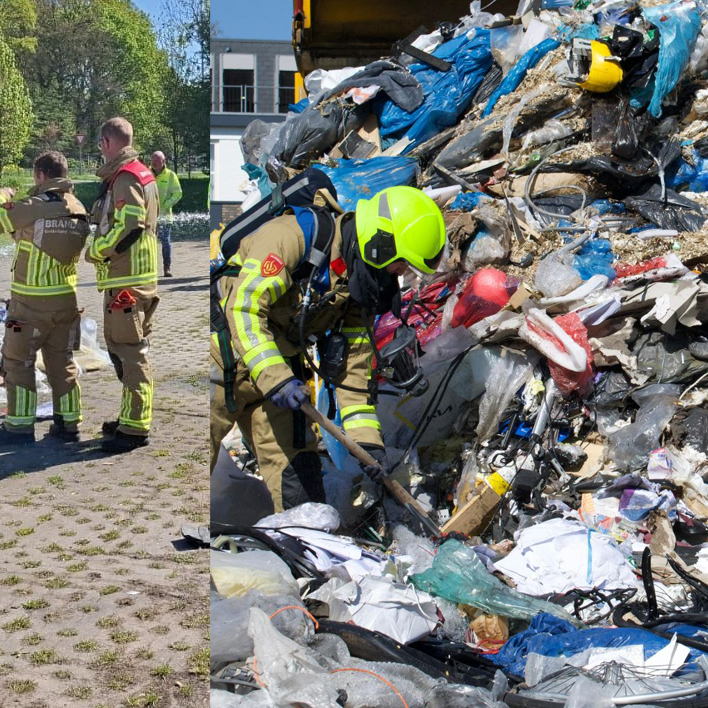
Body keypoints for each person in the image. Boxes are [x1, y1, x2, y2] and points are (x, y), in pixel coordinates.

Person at [210, 185, 445, 511]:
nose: (401, 274)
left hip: (281, 378)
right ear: (381, 242)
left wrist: (368, 444)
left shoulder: (359, 284)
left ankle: (296, 549)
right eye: (402, 264)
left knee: (300, 485)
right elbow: (244, 309)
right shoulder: (292, 237)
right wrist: (275, 377)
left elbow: (354, 372)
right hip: (224, 357)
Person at [0, 151, 90, 443]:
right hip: (66, 299)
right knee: (61, 362)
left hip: (31, 300)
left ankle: (19, 426)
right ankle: (69, 424)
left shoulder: (37, 206)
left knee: (18, 362)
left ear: (40, 175)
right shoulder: (78, 206)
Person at [86, 118, 160, 452]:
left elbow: (131, 226)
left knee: (130, 353)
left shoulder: (126, 176)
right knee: (121, 349)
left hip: (128, 278)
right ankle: (130, 417)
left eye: (100, 144)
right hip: (130, 277)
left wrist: (98, 250)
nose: (100, 150)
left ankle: (134, 428)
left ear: (106, 142)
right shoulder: (139, 173)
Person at [151, 151, 183, 277]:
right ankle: (150, 269)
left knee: (165, 242)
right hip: (148, 215)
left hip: (164, 215)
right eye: (152, 160)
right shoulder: (146, 173)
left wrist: (165, 205)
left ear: (163, 161)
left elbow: (177, 193)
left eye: (157, 160)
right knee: (149, 243)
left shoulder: (170, 175)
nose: (154, 163)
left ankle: (167, 267)